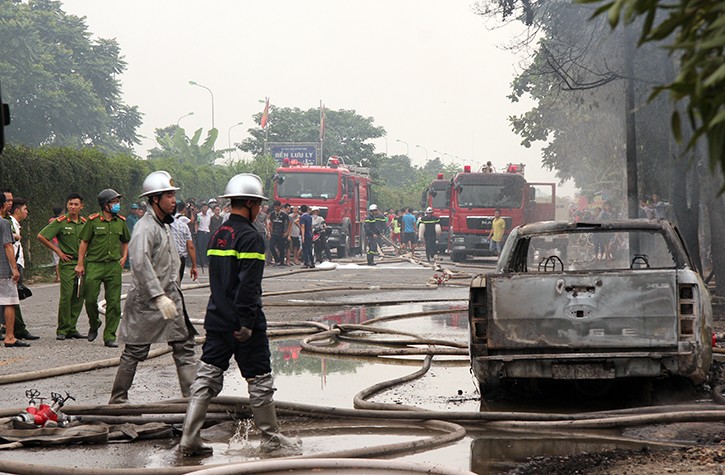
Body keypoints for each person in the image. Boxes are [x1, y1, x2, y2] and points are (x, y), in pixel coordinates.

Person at [179, 173, 301, 456]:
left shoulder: (218, 234)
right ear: (248, 203)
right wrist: (246, 322)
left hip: (217, 319)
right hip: (244, 323)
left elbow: (220, 280)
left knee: (206, 378)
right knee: (260, 379)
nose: (260, 209)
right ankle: (270, 439)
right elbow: (248, 284)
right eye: (257, 204)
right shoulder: (250, 236)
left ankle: (189, 437)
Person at [110, 171, 197, 404]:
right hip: (148, 302)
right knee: (135, 352)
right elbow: (139, 263)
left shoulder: (166, 225)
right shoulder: (144, 227)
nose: (173, 199)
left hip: (170, 298)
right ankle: (118, 401)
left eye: (173, 195)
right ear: (154, 199)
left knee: (185, 347)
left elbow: (171, 259)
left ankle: (193, 402)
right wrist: (158, 296)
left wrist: (171, 292)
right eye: (168, 195)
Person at [75, 189, 131, 348]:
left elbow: (125, 240)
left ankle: (110, 336)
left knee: (114, 303)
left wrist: (124, 256)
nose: (116, 205)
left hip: (113, 265)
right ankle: (94, 323)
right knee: (90, 298)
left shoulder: (121, 221)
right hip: (94, 264)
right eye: (113, 202)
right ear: (105, 204)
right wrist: (80, 264)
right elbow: (84, 242)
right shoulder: (93, 221)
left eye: (117, 202)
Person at [38, 193, 88, 340]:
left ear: (81, 206)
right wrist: (58, 251)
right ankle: (63, 329)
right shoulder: (61, 222)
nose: (73, 207)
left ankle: (72, 327)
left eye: (76, 204)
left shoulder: (85, 223)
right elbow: (42, 236)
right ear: (67, 205)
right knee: (66, 296)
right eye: (70, 204)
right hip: (67, 263)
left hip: (83, 263)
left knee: (79, 295)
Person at [5, 197, 39, 340]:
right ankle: (18, 329)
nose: (27, 212)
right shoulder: (9, 223)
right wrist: (14, 267)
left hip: (17, 262)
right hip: (13, 263)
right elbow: (9, 246)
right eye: (25, 209)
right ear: (17, 210)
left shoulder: (15, 223)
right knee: (12, 299)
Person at [0, 192, 26, 347]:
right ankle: (10, 337)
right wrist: (14, 269)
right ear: (3, 205)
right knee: (9, 302)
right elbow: (8, 246)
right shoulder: (3, 223)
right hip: (3, 269)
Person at [170, 199, 198, 283]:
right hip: (180, 257)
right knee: (177, 283)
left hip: (167, 257)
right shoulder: (183, 224)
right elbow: (190, 246)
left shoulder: (162, 223)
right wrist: (194, 266)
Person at [267, 200, 290, 266]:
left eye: (277, 206)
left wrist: (287, 232)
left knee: (281, 248)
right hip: (274, 233)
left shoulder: (284, 214)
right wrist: (270, 231)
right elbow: (270, 222)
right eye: (275, 206)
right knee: (271, 246)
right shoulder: (272, 214)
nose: (276, 208)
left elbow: (289, 223)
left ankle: (282, 262)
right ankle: (277, 259)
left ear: (279, 206)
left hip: (281, 233)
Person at [196, 202, 212, 269]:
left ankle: (204, 262)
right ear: (201, 208)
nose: (205, 209)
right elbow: (197, 224)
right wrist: (196, 232)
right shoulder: (198, 215)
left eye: (206, 207)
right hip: (201, 232)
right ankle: (199, 262)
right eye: (204, 207)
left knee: (206, 248)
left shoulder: (209, 216)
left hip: (207, 232)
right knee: (200, 247)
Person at [49, 206, 63, 282]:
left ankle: (58, 277)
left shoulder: (51, 220)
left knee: (56, 259)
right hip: (62, 241)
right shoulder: (61, 220)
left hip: (54, 242)